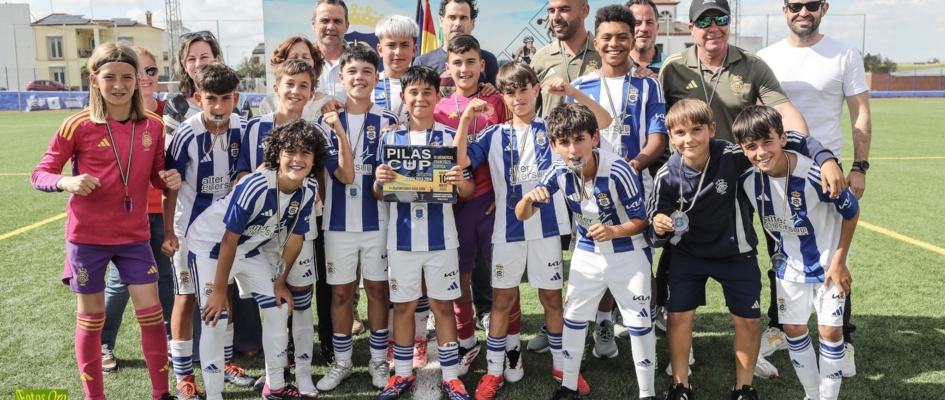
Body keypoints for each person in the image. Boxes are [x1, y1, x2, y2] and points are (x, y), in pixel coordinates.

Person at [647, 98, 845, 400]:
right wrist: (659, 226)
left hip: (736, 253)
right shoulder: (666, 176)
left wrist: (826, 158)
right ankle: (680, 385)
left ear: (712, 129)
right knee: (677, 318)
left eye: (697, 130)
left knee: (749, 321)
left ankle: (743, 388)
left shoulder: (731, 154)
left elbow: (785, 138)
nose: (690, 139)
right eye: (681, 133)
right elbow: (653, 230)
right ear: (670, 137)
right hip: (689, 256)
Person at [31, 41, 181, 400]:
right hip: (87, 238)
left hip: (134, 237)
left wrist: (167, 179)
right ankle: (94, 397)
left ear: (138, 80)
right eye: (109, 77)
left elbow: (157, 175)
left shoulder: (155, 125)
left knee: (151, 312)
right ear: (94, 80)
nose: (119, 85)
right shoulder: (76, 125)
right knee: (92, 317)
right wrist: (66, 181)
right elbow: (41, 173)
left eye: (127, 77)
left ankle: (161, 394)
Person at [452, 61, 611, 399]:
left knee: (552, 299)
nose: (518, 97)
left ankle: (561, 365)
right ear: (504, 97)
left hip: (548, 230)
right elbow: (461, 159)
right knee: (502, 301)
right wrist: (467, 117)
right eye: (510, 92)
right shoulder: (493, 134)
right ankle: (495, 371)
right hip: (506, 231)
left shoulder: (554, 130)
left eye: (524, 89)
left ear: (536, 90)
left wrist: (569, 91)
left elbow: (601, 125)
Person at [756, 0, 871, 377]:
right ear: (783, 9)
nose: (801, 11)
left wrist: (859, 165)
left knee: (834, 256)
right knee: (781, 249)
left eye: (810, 4)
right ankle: (780, 324)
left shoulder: (843, 53)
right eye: (794, 5)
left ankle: (842, 338)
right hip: (776, 169)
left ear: (823, 7)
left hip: (827, 171)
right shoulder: (765, 57)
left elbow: (860, 112)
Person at [516, 102, 656, 400]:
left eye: (579, 139)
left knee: (639, 324)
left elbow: (642, 221)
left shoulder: (618, 170)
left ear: (594, 138)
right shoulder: (557, 170)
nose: (573, 149)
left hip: (628, 252)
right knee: (574, 319)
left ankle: (648, 393)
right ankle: (568, 387)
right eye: (564, 142)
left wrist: (614, 231)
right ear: (553, 145)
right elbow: (522, 214)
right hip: (588, 252)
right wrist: (529, 198)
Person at [191, 119, 327, 400]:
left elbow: (295, 239)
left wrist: (279, 283)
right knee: (216, 318)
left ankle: (274, 387)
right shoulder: (255, 185)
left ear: (315, 159)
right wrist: (219, 291)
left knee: (277, 308)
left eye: (305, 152)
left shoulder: (308, 189)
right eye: (290, 151)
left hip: (248, 248)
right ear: (277, 155)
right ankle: (215, 395)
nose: (297, 159)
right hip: (209, 247)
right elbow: (228, 239)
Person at [732, 105, 858, 400]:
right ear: (743, 149)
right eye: (751, 147)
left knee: (830, 332)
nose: (761, 152)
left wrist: (840, 262)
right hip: (788, 265)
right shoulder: (748, 180)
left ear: (783, 138)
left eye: (767, 142)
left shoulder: (814, 173)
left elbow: (851, 212)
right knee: (792, 328)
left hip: (828, 262)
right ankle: (812, 394)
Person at [568, 5, 667, 359]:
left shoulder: (648, 83)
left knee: (640, 258)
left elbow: (657, 137)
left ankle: (647, 321)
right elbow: (569, 140)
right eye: (607, 37)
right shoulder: (579, 87)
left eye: (622, 37)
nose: (615, 44)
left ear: (632, 39)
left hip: (636, 186)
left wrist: (631, 166)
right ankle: (604, 320)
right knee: (598, 255)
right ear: (596, 41)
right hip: (590, 190)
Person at [239, 59, 342, 396]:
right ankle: (276, 376)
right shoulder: (255, 127)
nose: (296, 91)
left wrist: (318, 209)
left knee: (300, 302)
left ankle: (302, 374)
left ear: (312, 92)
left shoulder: (317, 130)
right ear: (276, 87)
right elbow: (241, 177)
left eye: (303, 86)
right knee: (272, 305)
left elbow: (327, 176)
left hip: (301, 229)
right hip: (260, 232)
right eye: (290, 84)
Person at [372, 65, 475, 400]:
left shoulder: (448, 138)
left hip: (441, 238)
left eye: (427, 92)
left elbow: (468, 190)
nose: (420, 98)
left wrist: (461, 182)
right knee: (402, 307)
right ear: (404, 97)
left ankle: (450, 376)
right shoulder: (390, 138)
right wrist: (379, 181)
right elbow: (378, 190)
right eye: (413, 92)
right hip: (401, 239)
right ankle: (402, 375)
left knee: (443, 305)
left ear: (437, 96)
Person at [163, 62, 259, 398]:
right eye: (211, 99)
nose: (218, 107)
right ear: (197, 98)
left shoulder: (243, 128)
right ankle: (185, 376)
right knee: (187, 298)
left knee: (223, 291)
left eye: (225, 99)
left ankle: (225, 361)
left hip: (226, 229)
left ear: (236, 98)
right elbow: (170, 186)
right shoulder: (185, 135)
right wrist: (169, 232)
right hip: (189, 230)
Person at [315, 45, 398, 393]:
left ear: (376, 78)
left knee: (378, 289)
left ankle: (378, 359)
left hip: (378, 221)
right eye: (353, 71)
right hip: (337, 224)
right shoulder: (327, 121)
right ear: (341, 77)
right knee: (340, 294)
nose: (360, 77)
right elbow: (343, 175)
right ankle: (343, 362)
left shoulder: (390, 122)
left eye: (367, 71)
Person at [433, 34, 511, 378]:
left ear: (482, 64)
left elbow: (512, 150)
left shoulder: (499, 101)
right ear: (447, 68)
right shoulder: (438, 107)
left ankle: (509, 343)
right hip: (455, 207)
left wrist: (503, 195)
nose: (464, 69)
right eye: (457, 62)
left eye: (471, 62)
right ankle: (467, 341)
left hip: (492, 202)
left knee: (503, 276)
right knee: (459, 276)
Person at [99, 45, 175, 374]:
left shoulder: (169, 112)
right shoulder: (107, 114)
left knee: (166, 279)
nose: (144, 78)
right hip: (127, 216)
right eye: (137, 71)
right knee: (119, 283)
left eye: (150, 71)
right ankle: (103, 343)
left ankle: (174, 339)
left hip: (163, 210)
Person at [658, 0, 809, 143]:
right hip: (686, 167)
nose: (714, 27)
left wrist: (809, 153)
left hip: (737, 165)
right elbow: (656, 120)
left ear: (729, 23)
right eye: (704, 21)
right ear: (692, 29)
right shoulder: (673, 67)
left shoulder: (753, 65)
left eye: (721, 19)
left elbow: (785, 112)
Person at [531, 0, 601, 118]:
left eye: (564, 9)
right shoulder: (541, 59)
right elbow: (526, 115)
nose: (556, 17)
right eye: (551, 11)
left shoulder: (606, 55)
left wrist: (641, 71)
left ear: (584, 11)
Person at [414, 0, 500, 92]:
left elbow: (502, 100)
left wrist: (493, 92)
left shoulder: (488, 60)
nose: (457, 24)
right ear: (441, 21)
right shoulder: (422, 63)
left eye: (463, 18)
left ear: (472, 23)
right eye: (452, 17)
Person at [258, 36, 331, 121]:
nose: (300, 62)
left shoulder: (328, 103)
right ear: (282, 63)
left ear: (315, 63)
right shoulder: (268, 103)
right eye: (293, 58)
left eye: (305, 58)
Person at [374, 15, 419, 124]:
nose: (398, 52)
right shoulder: (369, 85)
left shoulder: (427, 86)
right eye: (391, 45)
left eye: (404, 45)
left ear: (414, 50)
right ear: (380, 50)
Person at [311, 0, 350, 102]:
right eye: (325, 20)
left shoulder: (361, 61)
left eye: (337, 21)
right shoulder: (301, 60)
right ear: (313, 24)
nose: (331, 27)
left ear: (347, 26)